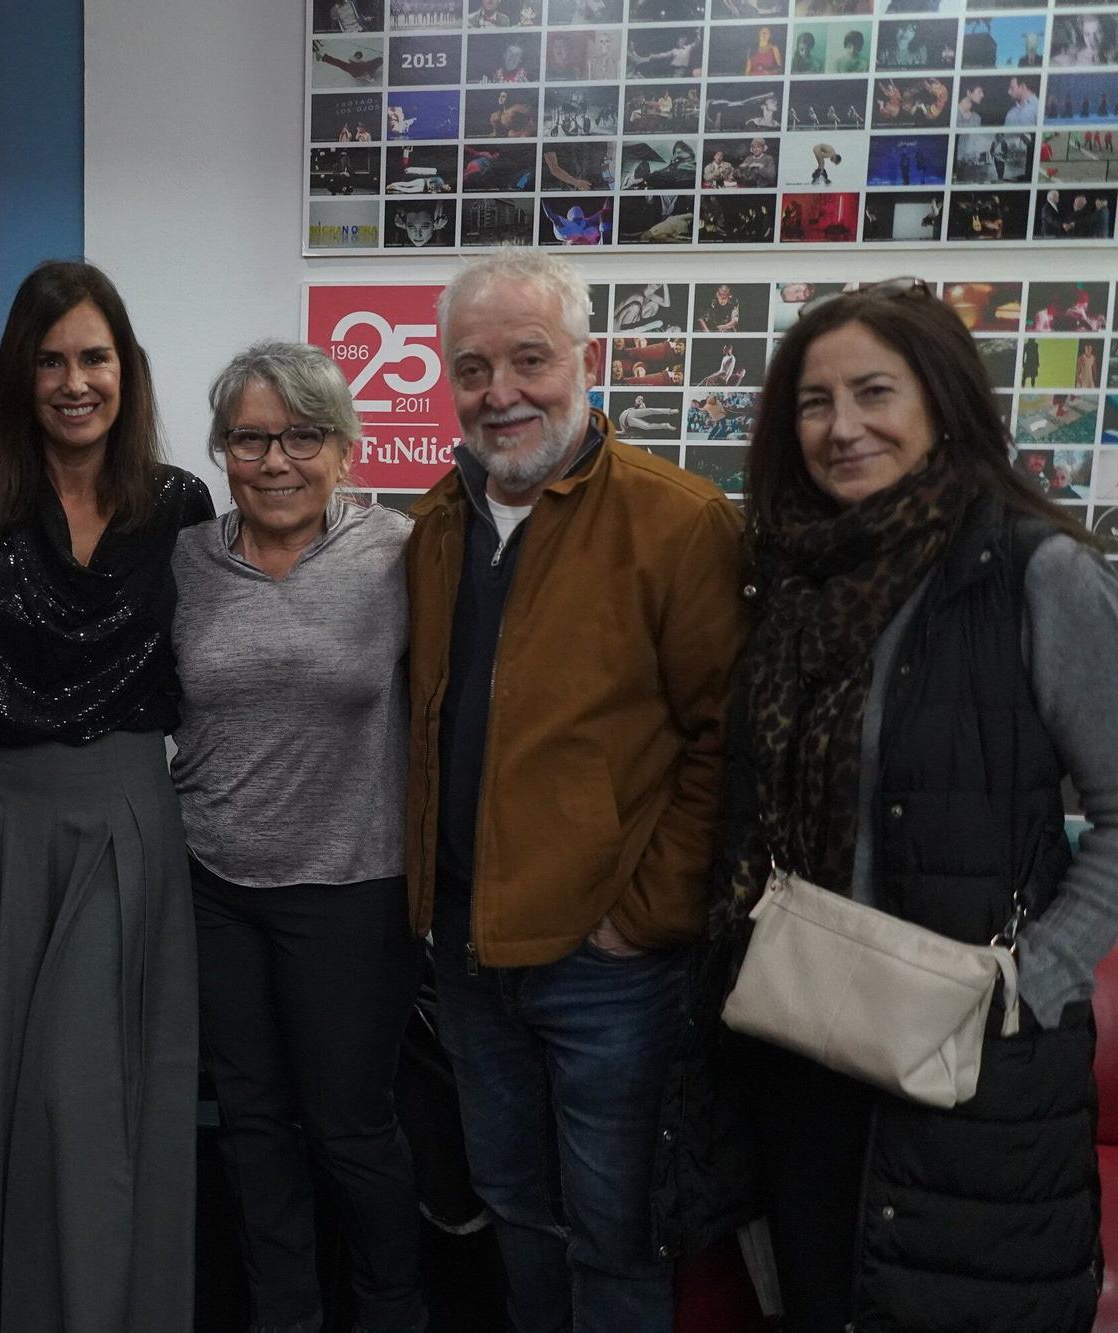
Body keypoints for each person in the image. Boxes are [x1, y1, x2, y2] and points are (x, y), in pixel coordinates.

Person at [712, 280, 1117, 1331]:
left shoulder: (1038, 573)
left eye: (872, 391)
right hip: (796, 1040)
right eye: (812, 401)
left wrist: (1030, 984)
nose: (840, 427)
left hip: (971, 1062)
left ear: (940, 400)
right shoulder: (789, 585)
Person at [405, 251, 746, 1332]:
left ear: (584, 360)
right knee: (511, 1208)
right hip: (464, 952)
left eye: (526, 359)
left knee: (611, 1234)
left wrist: (639, 917)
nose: (498, 391)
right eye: (471, 366)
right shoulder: (435, 525)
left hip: (606, 972)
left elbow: (722, 740)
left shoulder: (677, 521)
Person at [0, 260, 214, 1331]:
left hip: (128, 811)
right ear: (19, 373)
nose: (73, 380)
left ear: (123, 368)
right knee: (7, 1080)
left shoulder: (179, 503)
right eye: (50, 360)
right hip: (3, 822)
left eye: (93, 356)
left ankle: (101, 1300)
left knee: (82, 1086)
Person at [170, 341, 425, 1333]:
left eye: (301, 436)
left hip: (351, 888)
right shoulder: (188, 556)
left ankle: (390, 1312)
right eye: (248, 438)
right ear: (220, 450)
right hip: (213, 884)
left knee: (351, 1130)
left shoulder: (398, 552)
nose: (274, 461)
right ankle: (285, 1315)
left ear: (344, 447)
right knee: (251, 1127)